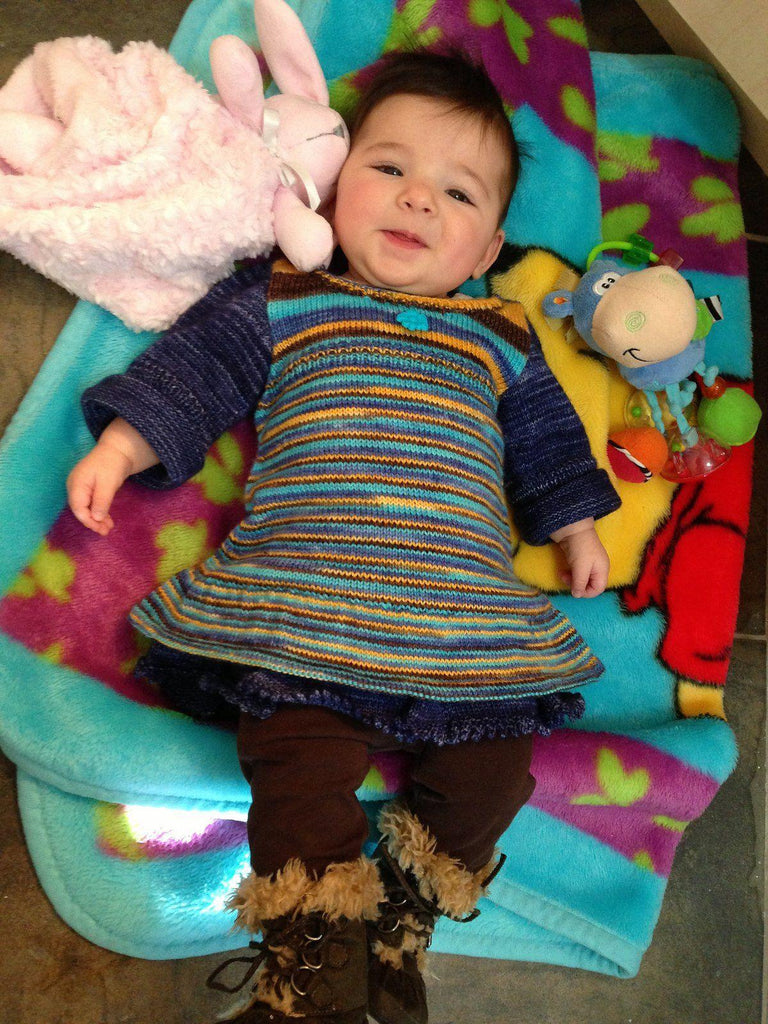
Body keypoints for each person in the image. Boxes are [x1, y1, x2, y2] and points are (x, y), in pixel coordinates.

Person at [67, 50, 620, 1024]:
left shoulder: (500, 335)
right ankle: (314, 958)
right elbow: (199, 371)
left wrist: (574, 524)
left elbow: (545, 437)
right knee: (293, 767)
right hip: (305, 606)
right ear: (331, 187)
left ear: (487, 250)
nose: (417, 199)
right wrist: (121, 444)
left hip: (462, 623)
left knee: (496, 771)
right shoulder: (287, 297)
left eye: (457, 192)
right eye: (389, 167)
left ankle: (405, 917)